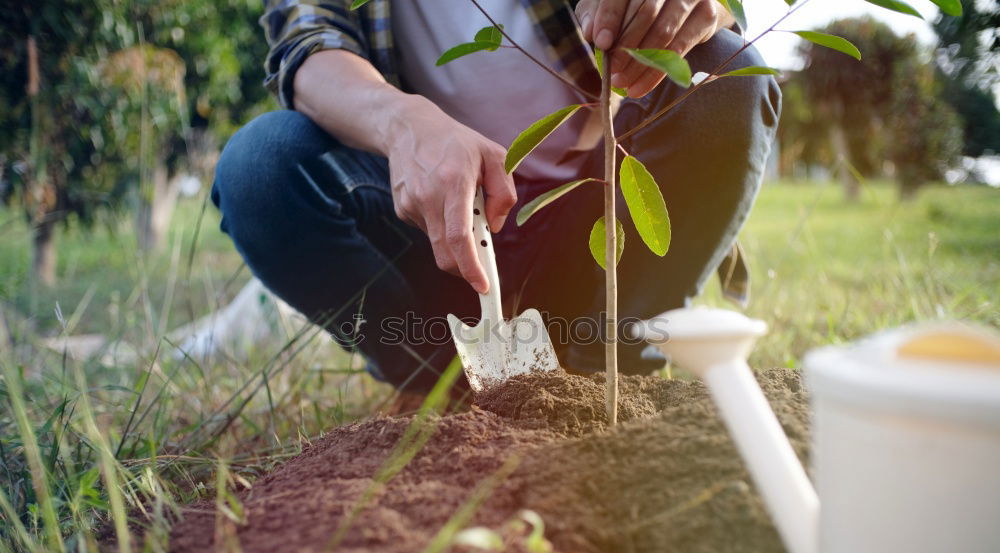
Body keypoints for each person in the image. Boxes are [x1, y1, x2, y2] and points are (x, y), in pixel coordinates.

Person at [212, 0, 780, 396]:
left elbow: (717, 19)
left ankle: (606, 367)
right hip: (431, 235)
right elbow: (308, 45)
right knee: (260, 167)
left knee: (729, 71)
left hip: (589, 231)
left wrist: (676, 14)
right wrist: (403, 122)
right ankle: (437, 388)